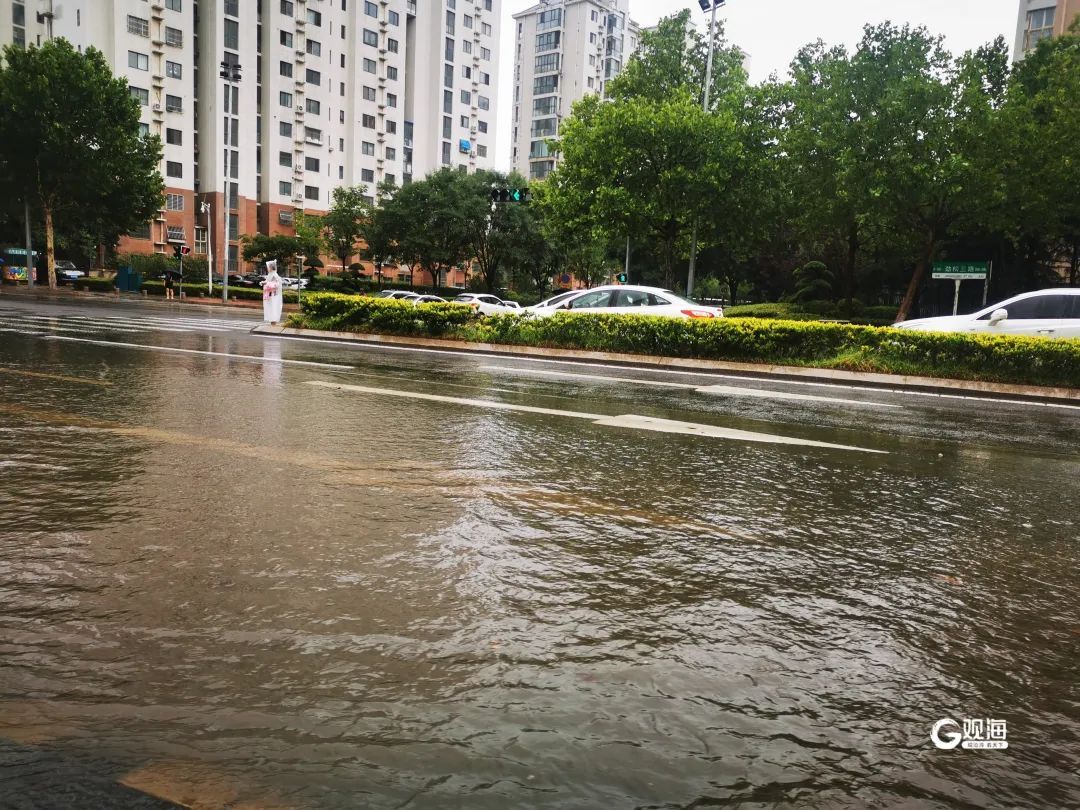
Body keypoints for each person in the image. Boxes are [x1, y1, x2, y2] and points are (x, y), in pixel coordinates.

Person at [262, 260, 283, 324]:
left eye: (268, 267)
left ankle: (273, 320)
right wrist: (264, 283)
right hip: (271, 295)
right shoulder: (271, 274)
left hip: (273, 295)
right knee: (271, 307)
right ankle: (272, 320)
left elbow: (276, 285)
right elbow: (268, 282)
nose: (267, 268)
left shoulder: (274, 275)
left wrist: (267, 284)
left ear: (271, 267)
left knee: (273, 307)